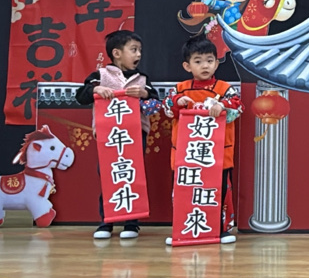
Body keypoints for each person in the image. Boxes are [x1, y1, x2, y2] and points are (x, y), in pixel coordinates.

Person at [76, 30, 158, 241]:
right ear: (117, 53)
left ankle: (132, 223)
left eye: (140, 50)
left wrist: (144, 94)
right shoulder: (100, 76)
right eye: (134, 50)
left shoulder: (142, 79)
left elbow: (155, 103)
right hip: (109, 136)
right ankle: (107, 222)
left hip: (135, 135)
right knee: (109, 176)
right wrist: (96, 90)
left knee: (132, 176)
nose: (138, 54)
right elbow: (81, 96)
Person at [164, 34, 243, 246]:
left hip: (217, 154)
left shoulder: (224, 89)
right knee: (183, 191)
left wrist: (223, 106)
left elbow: (238, 107)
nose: (205, 66)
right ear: (187, 66)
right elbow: (167, 109)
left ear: (216, 63)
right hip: (186, 155)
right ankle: (182, 230)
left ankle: (220, 230)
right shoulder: (179, 89)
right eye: (198, 61)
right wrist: (177, 102)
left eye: (209, 60)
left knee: (217, 191)